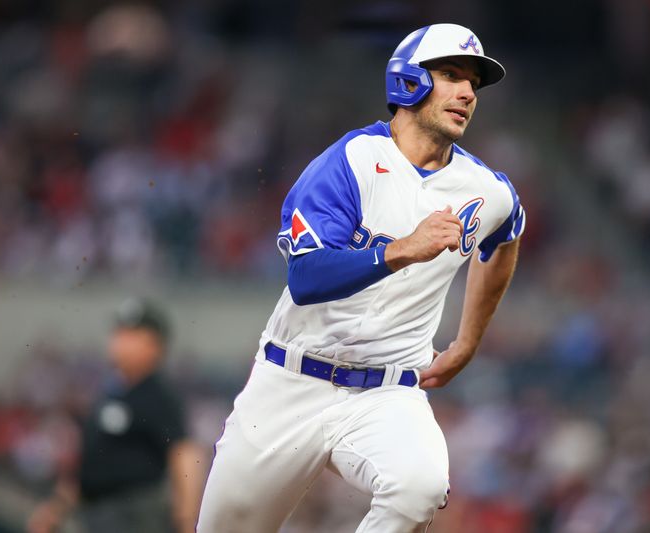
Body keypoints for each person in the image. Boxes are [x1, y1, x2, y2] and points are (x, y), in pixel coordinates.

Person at [197, 23, 526, 533]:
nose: (466, 92)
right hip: (290, 382)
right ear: (409, 81)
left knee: (419, 487)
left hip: (388, 391)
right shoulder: (349, 161)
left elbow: (506, 237)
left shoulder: (485, 189)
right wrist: (400, 250)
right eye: (451, 74)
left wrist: (468, 340)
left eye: (474, 84)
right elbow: (306, 277)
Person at [27, 298, 205, 533]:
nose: (120, 341)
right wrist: (55, 509)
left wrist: (186, 519)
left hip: (136, 514)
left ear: (155, 346)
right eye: (119, 333)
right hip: (98, 513)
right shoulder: (110, 394)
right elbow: (90, 465)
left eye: (132, 335)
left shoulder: (158, 395)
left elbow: (185, 454)